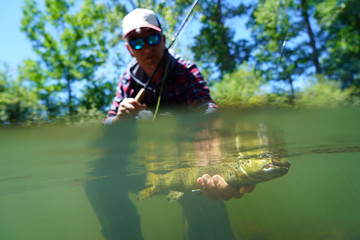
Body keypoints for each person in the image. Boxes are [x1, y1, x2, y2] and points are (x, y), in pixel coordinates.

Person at [104, 8, 256, 200]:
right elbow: (106, 126)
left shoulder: (186, 70)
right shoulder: (128, 81)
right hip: (144, 163)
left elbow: (205, 106)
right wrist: (119, 118)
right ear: (129, 50)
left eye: (153, 39)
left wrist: (214, 132)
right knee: (97, 187)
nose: (147, 48)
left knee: (205, 211)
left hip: (190, 161)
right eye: (137, 42)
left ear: (164, 40)